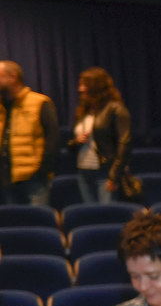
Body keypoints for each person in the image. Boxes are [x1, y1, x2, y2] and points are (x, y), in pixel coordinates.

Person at [69, 67, 132, 204]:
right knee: (90, 214)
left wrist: (114, 176)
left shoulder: (115, 108)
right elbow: (72, 142)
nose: (80, 89)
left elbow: (124, 143)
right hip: (83, 171)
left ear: (96, 86)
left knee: (107, 215)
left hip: (106, 172)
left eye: (84, 85)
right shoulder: (83, 110)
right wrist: (75, 142)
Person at [0, 61, 58, 206]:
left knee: (37, 222)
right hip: (7, 178)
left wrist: (43, 171)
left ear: (13, 77)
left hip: (34, 178)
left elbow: (53, 140)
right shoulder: (2, 106)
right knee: (15, 224)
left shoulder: (40, 103)